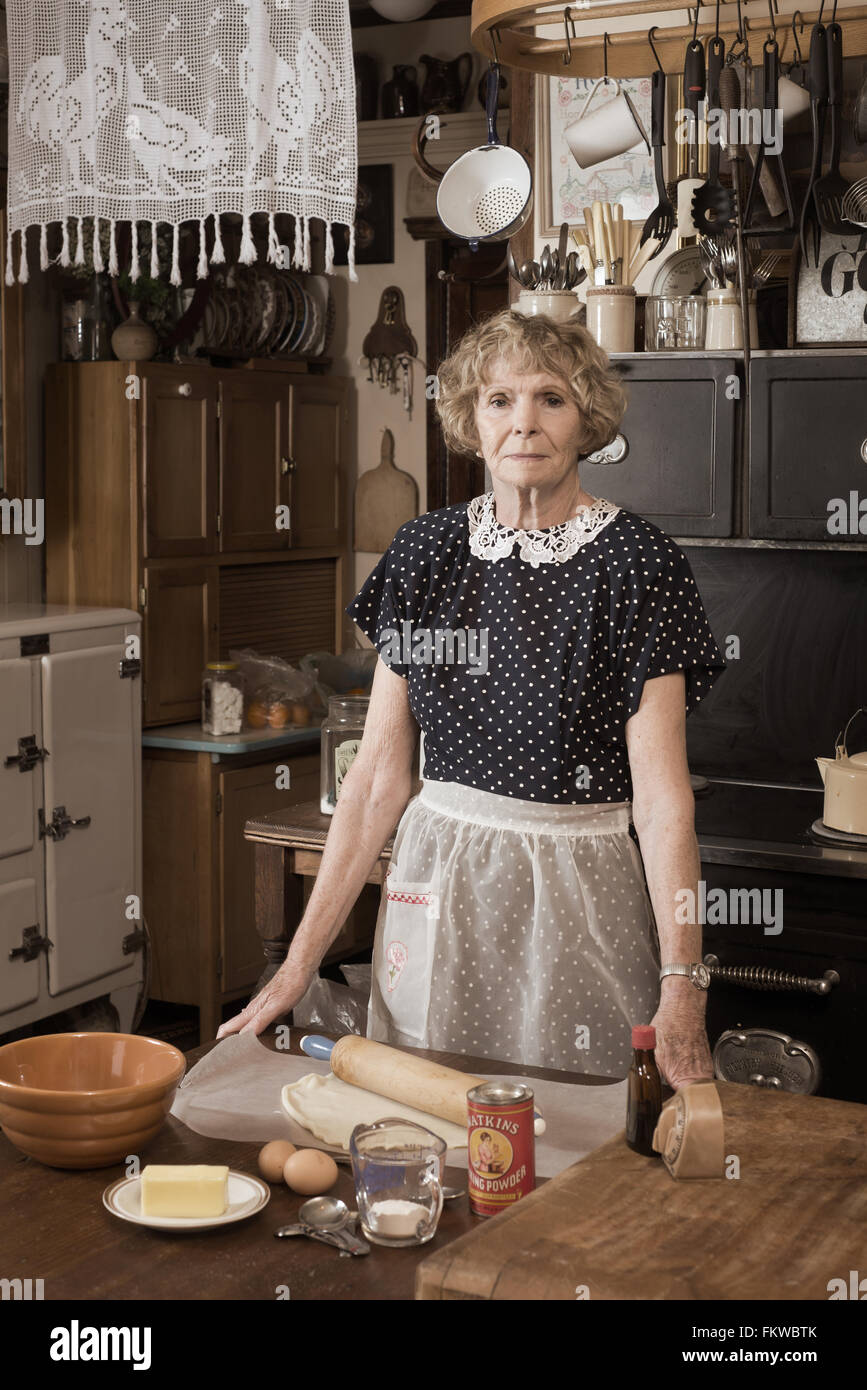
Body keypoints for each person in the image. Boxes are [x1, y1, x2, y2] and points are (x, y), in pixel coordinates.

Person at [218, 309, 726, 1087]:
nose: (523, 423)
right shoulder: (426, 554)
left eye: (550, 399)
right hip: (437, 880)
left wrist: (682, 985)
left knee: (577, 1141)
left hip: (578, 891)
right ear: (470, 418)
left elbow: (661, 805)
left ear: (585, 416)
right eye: (499, 400)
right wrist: (297, 965)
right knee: (427, 1118)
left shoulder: (637, 563)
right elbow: (378, 781)